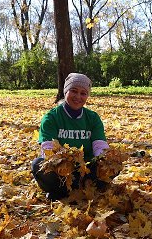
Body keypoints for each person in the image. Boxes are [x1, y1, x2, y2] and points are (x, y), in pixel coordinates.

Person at [32, 73, 110, 201]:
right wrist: (65, 166)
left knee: (111, 163)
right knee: (38, 164)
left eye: (83, 93)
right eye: (74, 91)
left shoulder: (93, 118)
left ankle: (79, 190)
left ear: (87, 96)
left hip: (87, 170)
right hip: (61, 172)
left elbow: (100, 146)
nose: (78, 97)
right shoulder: (51, 117)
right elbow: (48, 151)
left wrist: (105, 160)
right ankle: (63, 190)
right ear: (65, 91)